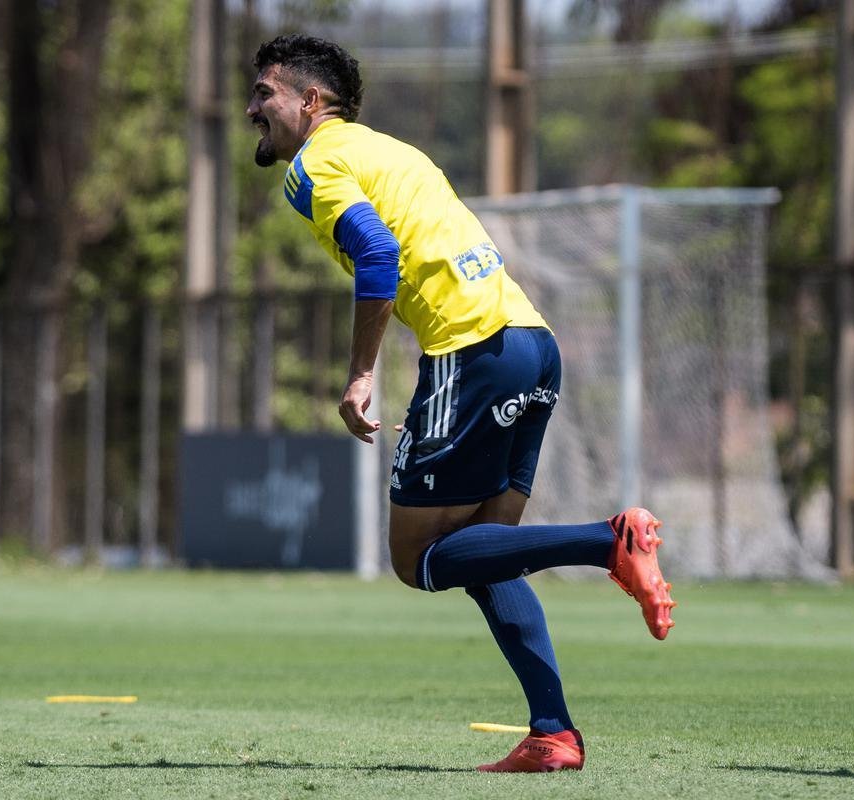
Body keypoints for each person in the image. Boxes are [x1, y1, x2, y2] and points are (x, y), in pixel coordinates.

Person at [246, 33, 675, 773]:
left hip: (470, 352)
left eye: (264, 94)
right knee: (486, 556)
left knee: (416, 559)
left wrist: (360, 374)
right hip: (532, 343)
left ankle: (608, 542)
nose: (252, 109)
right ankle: (554, 733)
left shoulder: (315, 165)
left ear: (310, 101)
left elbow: (377, 254)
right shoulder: (390, 151)